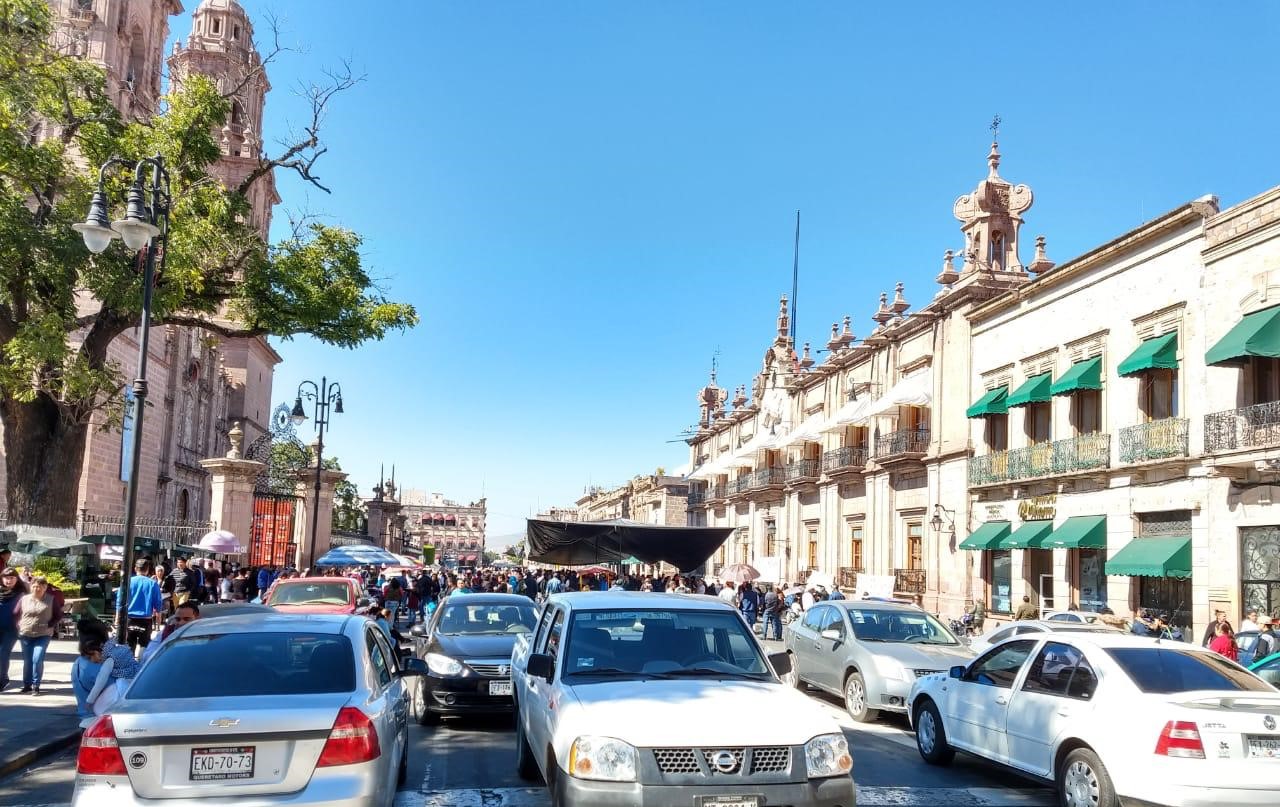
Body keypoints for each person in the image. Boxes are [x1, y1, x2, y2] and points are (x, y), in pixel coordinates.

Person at [16, 575, 62, 695]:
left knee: (37, 658)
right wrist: (18, 624)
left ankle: (36, 685)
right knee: (27, 660)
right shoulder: (24, 599)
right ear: (31, 587)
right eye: (34, 586)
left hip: (43, 634)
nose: (37, 589)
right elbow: (15, 613)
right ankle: (27, 685)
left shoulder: (51, 599)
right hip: (26, 633)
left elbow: (58, 615)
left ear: (45, 587)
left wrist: (50, 624)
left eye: (40, 587)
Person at [117, 558, 164, 656]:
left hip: (129, 618)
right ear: (147, 570)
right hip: (145, 620)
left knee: (129, 644)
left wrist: (117, 617)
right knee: (144, 645)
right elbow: (158, 604)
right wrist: (158, 621)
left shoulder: (127, 582)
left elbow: (120, 601)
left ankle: (129, 666)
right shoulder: (152, 584)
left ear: (135, 568)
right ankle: (141, 667)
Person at [0, 566, 28, 692]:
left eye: (12, 578)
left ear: (17, 579)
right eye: (6, 578)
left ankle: (3, 680)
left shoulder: (22, 593)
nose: (9, 580)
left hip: (11, 629)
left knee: (3, 653)